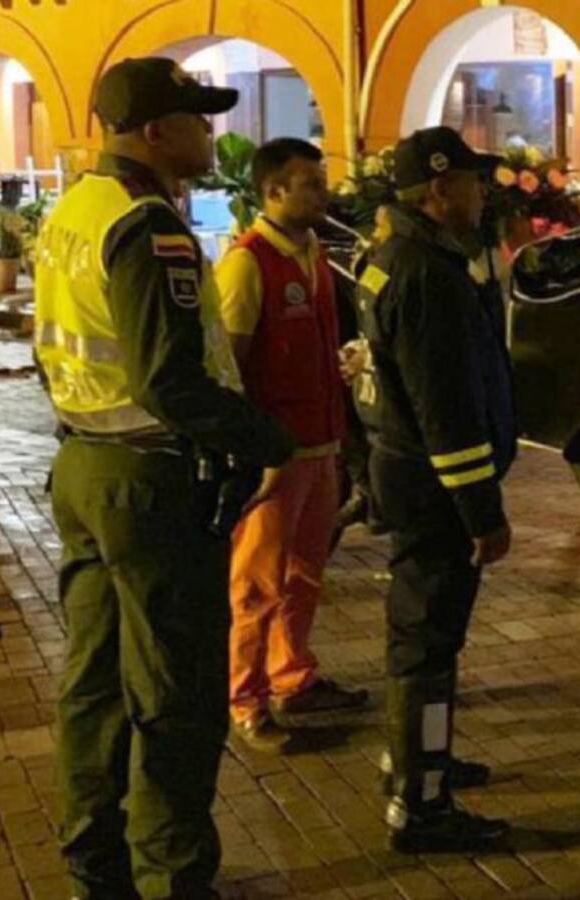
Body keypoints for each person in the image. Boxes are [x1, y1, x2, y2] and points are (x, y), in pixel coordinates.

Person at [33, 58, 296, 899]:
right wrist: (267, 438)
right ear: (155, 133)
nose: (210, 131)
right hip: (149, 481)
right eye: (197, 117)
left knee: (94, 684)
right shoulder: (149, 226)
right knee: (176, 695)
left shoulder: (72, 209)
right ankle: (174, 877)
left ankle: (96, 866)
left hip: (83, 463)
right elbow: (170, 381)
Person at [352, 126, 516, 852]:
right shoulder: (427, 276)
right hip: (435, 489)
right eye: (474, 182)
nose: (484, 193)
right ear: (439, 191)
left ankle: (417, 760)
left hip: (405, 474)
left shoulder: (395, 259)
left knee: (420, 638)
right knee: (428, 646)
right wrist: (483, 513)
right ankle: (422, 805)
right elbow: (446, 413)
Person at [215, 138, 369, 751]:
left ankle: (292, 673)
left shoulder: (313, 256)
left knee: (305, 571)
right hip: (275, 457)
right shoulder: (247, 264)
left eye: (322, 180)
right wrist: (250, 449)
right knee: (256, 581)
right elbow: (231, 365)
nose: (323, 192)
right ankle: (245, 696)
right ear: (273, 190)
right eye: (310, 183)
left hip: (321, 443)